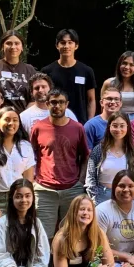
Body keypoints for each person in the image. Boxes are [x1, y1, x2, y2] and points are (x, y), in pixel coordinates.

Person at [31, 89, 91, 235]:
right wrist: (34, 180)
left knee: (71, 234)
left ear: (67, 104)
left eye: (61, 102)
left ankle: (66, 259)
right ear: (47, 104)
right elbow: (30, 155)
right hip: (44, 189)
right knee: (43, 235)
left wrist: (81, 181)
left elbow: (85, 156)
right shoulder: (38, 127)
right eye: (53, 102)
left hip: (72, 188)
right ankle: (46, 259)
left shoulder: (77, 128)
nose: (57, 105)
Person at [51, 195, 125, 267]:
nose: (86, 213)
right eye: (82, 209)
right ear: (73, 212)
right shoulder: (62, 238)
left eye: (89, 210)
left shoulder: (98, 233)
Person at [0, 178, 50, 267]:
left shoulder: (36, 224)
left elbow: (42, 255)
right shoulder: (1, 224)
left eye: (27, 196)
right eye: (18, 196)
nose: (23, 200)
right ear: (12, 198)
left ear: (33, 198)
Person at [0, 106, 35, 219]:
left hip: (18, 197)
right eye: (7, 119)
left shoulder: (25, 146)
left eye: (15, 120)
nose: (11, 123)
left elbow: (28, 178)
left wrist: (25, 199)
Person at [86, 112, 134, 205]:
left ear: (127, 127)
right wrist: (94, 198)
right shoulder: (99, 150)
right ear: (109, 127)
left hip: (127, 195)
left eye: (122, 126)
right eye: (115, 126)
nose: (118, 129)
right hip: (103, 196)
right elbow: (90, 176)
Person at [42, 28, 97, 123]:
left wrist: (90, 123)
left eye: (70, 42)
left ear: (76, 46)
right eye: (62, 43)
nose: (66, 46)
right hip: (54, 121)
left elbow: (91, 100)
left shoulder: (86, 71)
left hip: (80, 122)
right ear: (57, 46)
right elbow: (44, 99)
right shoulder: (47, 71)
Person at [0, 30, 37, 112]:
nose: (13, 47)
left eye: (17, 43)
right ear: (2, 47)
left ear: (22, 47)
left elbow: (34, 99)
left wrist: (22, 118)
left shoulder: (30, 70)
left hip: (24, 119)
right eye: (9, 43)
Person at [102, 50, 134, 121]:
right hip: (115, 120)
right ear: (119, 64)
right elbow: (103, 107)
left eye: (131, 65)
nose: (127, 67)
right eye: (124, 63)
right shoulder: (109, 83)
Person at [84, 85, 128, 151]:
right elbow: (87, 153)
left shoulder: (126, 123)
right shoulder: (91, 125)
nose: (113, 102)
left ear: (121, 103)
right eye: (109, 98)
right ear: (101, 102)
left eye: (116, 99)